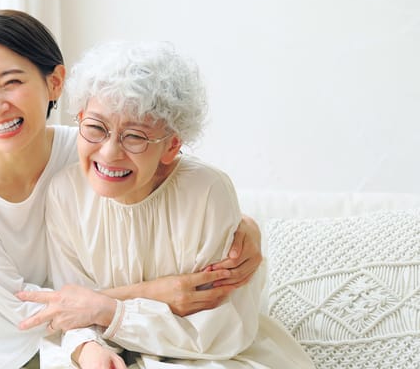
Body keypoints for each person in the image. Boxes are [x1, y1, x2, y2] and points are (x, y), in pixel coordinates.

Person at [0, 10, 263, 369]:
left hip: (51, 346)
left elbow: (166, 178)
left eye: (11, 82)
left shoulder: (89, 151)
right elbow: (11, 316)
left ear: (55, 82)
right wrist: (150, 295)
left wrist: (243, 226)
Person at [40, 40, 313, 368]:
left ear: (171, 145)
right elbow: (73, 308)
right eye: (96, 128)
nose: (109, 152)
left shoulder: (207, 192)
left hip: (213, 358)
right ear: (81, 119)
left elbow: (218, 331)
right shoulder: (64, 193)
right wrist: (87, 347)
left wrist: (112, 313)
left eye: (135, 136)